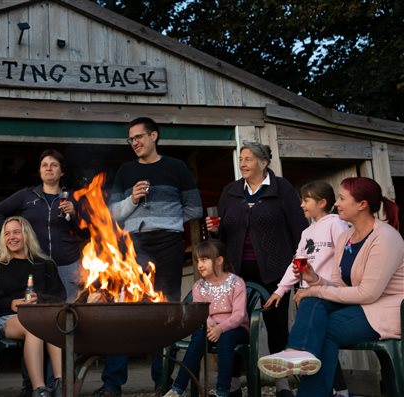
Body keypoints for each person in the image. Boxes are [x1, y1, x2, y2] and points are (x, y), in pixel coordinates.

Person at [257, 177, 404, 397]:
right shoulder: (346, 237)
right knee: (313, 301)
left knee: (323, 327)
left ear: (362, 204)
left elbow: (369, 293)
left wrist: (314, 289)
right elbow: (338, 284)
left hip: (385, 310)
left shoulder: (385, 238)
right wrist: (314, 279)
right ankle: (298, 352)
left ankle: (301, 357)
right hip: (359, 306)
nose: (337, 203)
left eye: (343, 198)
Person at [94, 117, 203, 397]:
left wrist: (167, 220)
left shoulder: (176, 167)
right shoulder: (126, 171)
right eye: (131, 139)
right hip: (134, 245)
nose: (135, 143)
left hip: (168, 243)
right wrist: (132, 199)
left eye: (139, 137)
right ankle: (112, 383)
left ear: (154, 136)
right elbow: (113, 215)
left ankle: (162, 380)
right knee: (123, 310)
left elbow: (195, 208)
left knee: (164, 312)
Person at [207, 142, 308, 397]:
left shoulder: (281, 188)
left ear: (263, 163)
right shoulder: (230, 191)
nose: (242, 163)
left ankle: (282, 383)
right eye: (241, 159)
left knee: (276, 327)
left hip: (275, 271)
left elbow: (299, 230)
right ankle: (232, 383)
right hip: (237, 272)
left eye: (248, 159)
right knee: (236, 325)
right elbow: (225, 231)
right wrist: (215, 230)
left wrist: (301, 267)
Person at [263, 180, 351, 396]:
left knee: (310, 342)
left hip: (329, 292)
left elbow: (345, 257)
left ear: (322, 202)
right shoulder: (307, 232)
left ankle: (295, 352)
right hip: (309, 294)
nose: (301, 204)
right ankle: (341, 390)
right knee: (318, 344)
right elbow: (296, 264)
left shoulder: (335, 224)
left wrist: (338, 285)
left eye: (306, 200)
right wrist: (280, 290)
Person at [0, 216, 66, 397]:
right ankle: (39, 390)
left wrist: (40, 300)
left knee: (54, 325)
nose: (11, 237)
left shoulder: (45, 265)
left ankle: (60, 385)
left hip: (42, 318)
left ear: (26, 235)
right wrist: (10, 302)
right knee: (34, 327)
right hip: (6, 319)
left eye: (16, 232)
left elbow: (60, 297)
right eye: (7, 234)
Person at [0, 149, 84, 303]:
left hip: (67, 265)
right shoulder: (26, 195)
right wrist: (13, 236)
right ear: (39, 171)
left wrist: (74, 214)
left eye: (54, 165)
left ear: (62, 172)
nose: (48, 168)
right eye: (44, 165)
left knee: (69, 310)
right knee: (38, 312)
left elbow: (85, 232)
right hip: (36, 265)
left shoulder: (74, 197)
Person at [163, 240, 249, 397]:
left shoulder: (236, 283)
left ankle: (222, 391)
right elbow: (202, 312)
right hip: (209, 328)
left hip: (235, 329)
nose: (199, 265)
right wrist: (211, 326)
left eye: (204, 259)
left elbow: (239, 315)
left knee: (226, 338)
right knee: (197, 338)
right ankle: (177, 389)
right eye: (197, 261)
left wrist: (220, 328)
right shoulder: (199, 286)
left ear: (219, 260)